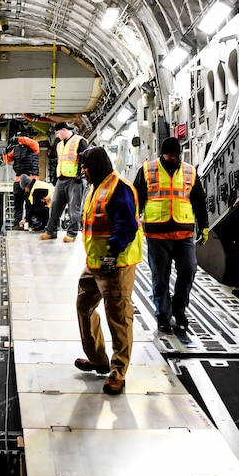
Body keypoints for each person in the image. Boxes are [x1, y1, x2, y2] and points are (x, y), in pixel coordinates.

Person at [72, 147, 144, 395]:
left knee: (119, 318)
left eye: (85, 167)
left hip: (116, 264)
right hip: (94, 264)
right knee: (84, 306)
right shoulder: (97, 186)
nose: (83, 171)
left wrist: (113, 254)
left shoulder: (119, 188)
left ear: (97, 165)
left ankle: (118, 372)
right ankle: (98, 359)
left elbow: (127, 225)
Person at [132, 137, 209, 334]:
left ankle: (179, 310)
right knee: (160, 277)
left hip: (184, 233)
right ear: (162, 154)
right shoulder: (148, 170)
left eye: (176, 155)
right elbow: (136, 198)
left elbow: (199, 200)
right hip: (157, 234)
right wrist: (131, 223)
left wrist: (204, 226)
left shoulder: (190, 171)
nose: (173, 158)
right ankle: (163, 317)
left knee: (188, 270)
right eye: (170, 155)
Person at [41, 121, 90, 242]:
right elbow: (60, 161)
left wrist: (80, 173)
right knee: (55, 206)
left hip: (75, 180)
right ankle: (51, 231)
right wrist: (55, 176)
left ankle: (72, 233)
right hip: (61, 179)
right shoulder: (59, 145)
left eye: (58, 132)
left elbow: (85, 158)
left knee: (74, 208)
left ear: (63, 130)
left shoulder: (80, 141)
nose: (57, 135)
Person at [4, 128, 41, 229]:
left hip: (31, 178)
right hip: (18, 179)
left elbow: (30, 142)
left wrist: (19, 139)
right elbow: (7, 159)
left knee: (30, 203)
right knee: (17, 203)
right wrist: (7, 148)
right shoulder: (16, 149)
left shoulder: (34, 145)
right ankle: (17, 224)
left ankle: (31, 222)